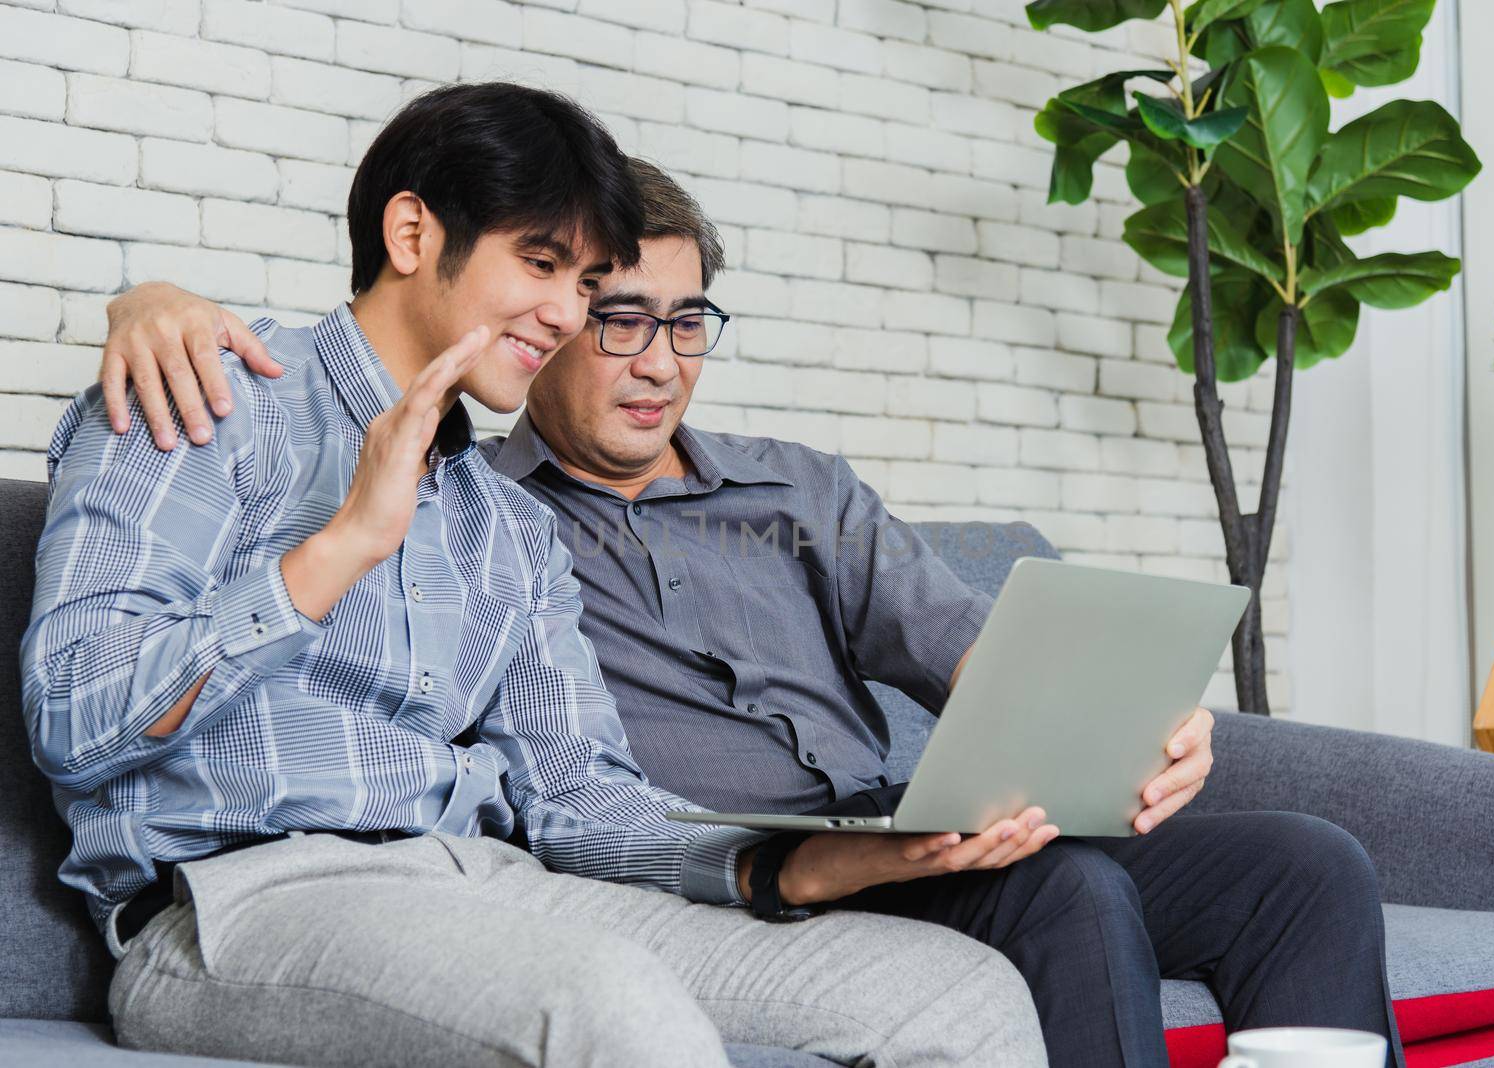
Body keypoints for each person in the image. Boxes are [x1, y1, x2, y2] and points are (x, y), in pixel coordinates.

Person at [99, 152, 1405, 1066]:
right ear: (543, 326)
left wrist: (1141, 727)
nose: (658, 362)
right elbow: (320, 390)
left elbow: (976, 653)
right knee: (1070, 896)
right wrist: (147, 298)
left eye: (688, 322)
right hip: (723, 870)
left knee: (1304, 866)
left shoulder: (798, 488)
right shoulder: (468, 509)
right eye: (615, 322)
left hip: (901, 825)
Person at [24, 84, 1049, 1068]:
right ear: (414, 235)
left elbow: (574, 794)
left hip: (488, 883)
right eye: (542, 261)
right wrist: (337, 550)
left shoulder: (506, 524)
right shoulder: (201, 396)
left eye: (586, 282)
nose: (567, 313)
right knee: (607, 1005)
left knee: (956, 995)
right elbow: (74, 717)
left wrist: (784, 865)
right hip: (241, 906)